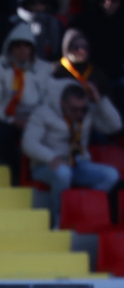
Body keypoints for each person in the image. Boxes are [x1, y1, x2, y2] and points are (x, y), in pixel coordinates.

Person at [23, 83, 121, 227]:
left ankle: (81, 204)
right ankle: (59, 218)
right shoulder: (43, 113)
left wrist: (100, 101)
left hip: (79, 164)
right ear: (63, 104)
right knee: (63, 173)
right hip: (46, 165)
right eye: (75, 109)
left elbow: (115, 126)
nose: (80, 114)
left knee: (111, 175)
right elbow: (29, 143)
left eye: (83, 109)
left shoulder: (88, 112)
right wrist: (51, 157)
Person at [0, 22, 50, 184]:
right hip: (6, 119)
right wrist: (13, 120)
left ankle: (44, 174)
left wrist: (36, 120)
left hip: (37, 119)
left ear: (33, 48)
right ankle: (15, 172)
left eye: (26, 45)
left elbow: (50, 98)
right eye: (17, 45)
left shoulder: (45, 69)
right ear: (10, 47)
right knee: (0, 133)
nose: (22, 49)